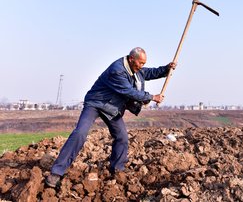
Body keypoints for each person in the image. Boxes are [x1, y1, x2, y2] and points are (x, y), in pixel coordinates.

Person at [45, 47, 176, 187]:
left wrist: (166, 69)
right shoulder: (117, 70)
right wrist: (152, 97)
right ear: (132, 59)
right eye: (141, 63)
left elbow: (148, 72)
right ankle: (56, 172)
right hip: (95, 103)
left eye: (144, 63)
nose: (142, 66)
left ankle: (117, 170)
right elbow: (129, 91)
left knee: (122, 138)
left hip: (112, 108)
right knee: (80, 133)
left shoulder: (135, 69)